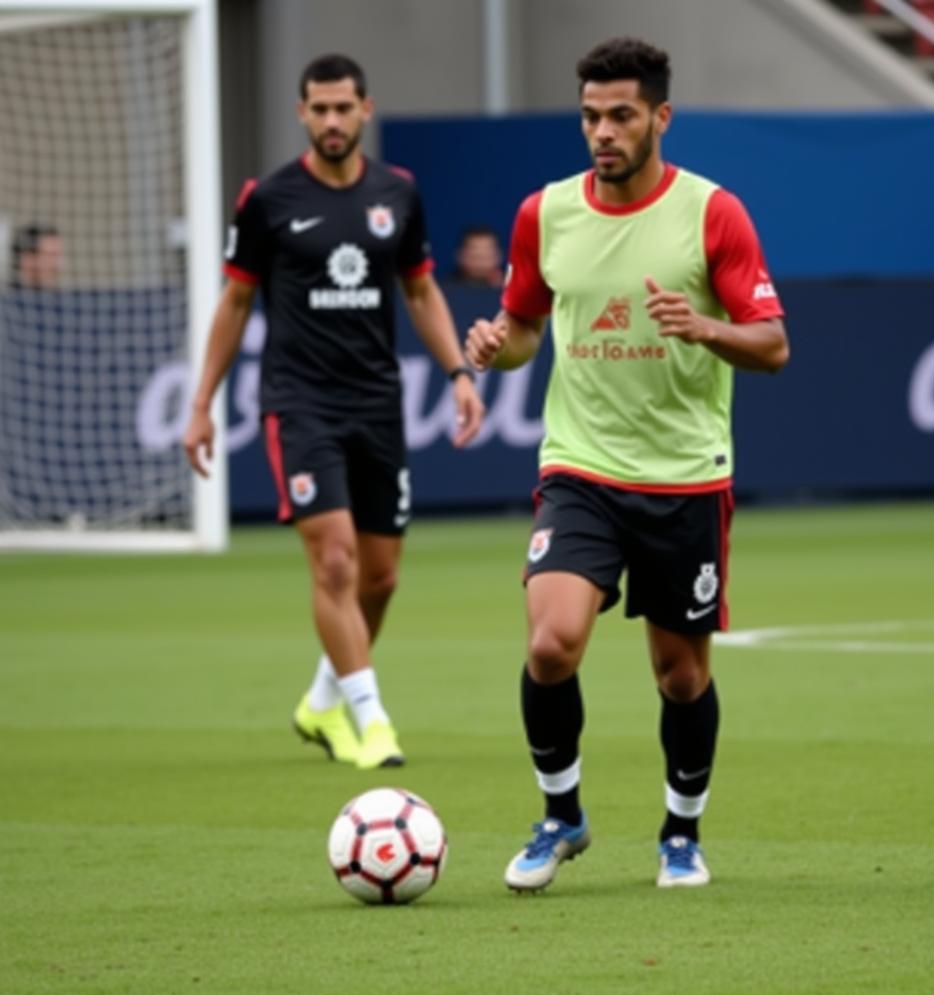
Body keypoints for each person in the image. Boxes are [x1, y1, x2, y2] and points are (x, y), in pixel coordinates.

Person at [465, 38, 788, 891]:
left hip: (685, 476)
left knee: (680, 675)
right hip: (581, 467)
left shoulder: (714, 213)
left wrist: (707, 327)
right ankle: (561, 816)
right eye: (589, 116)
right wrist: (498, 346)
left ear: (659, 118)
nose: (601, 132)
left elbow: (774, 345)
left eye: (619, 116)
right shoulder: (546, 213)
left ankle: (681, 834)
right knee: (551, 644)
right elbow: (525, 326)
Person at [183, 53, 484, 770]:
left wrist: (460, 374)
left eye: (343, 108)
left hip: (378, 404)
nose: (331, 121)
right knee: (338, 561)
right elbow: (234, 302)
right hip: (299, 404)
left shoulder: (399, 193)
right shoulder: (268, 198)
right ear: (301, 114)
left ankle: (321, 701)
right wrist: (201, 403)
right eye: (318, 109)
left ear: (365, 110)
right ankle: (373, 722)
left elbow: (419, 291)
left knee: (380, 578)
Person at [10, 223, 63, 289]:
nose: (59, 264)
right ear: (28, 258)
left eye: (58, 256)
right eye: (51, 255)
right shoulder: (6, 296)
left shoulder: (66, 297)